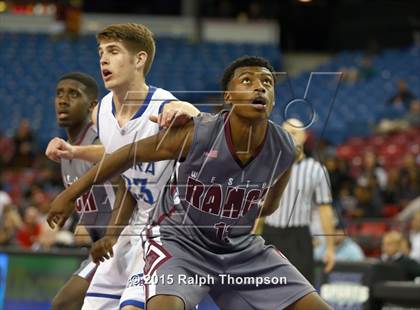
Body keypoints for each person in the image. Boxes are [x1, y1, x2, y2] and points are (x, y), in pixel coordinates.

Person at [47, 56, 332, 310]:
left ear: (273, 98)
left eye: (267, 83)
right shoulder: (199, 133)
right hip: (180, 244)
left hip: (239, 249)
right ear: (229, 96)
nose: (260, 87)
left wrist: (232, 204)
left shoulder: (284, 147)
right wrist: (71, 194)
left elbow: (268, 206)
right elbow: (125, 155)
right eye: (248, 81)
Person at [46, 23, 199, 310]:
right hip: (132, 230)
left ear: (139, 59)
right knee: (72, 305)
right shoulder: (103, 111)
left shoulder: (165, 107)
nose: (103, 59)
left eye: (113, 51)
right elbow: (125, 177)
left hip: (170, 234)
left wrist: (188, 110)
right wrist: (112, 234)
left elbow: (203, 122)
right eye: (101, 52)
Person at [47, 72, 122, 310]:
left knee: (65, 304)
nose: (63, 99)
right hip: (102, 248)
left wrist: (111, 233)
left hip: (123, 240)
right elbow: (87, 199)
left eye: (73, 94)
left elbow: (118, 161)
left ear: (92, 106)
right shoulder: (67, 151)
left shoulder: (99, 137)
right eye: (59, 93)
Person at [261, 118, 336, 284]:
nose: (290, 136)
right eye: (286, 132)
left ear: (304, 136)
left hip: (299, 237)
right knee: (266, 290)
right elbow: (258, 207)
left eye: (295, 132)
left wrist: (330, 248)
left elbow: (325, 210)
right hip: (270, 234)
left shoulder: (317, 169)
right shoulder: (268, 164)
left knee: (301, 290)